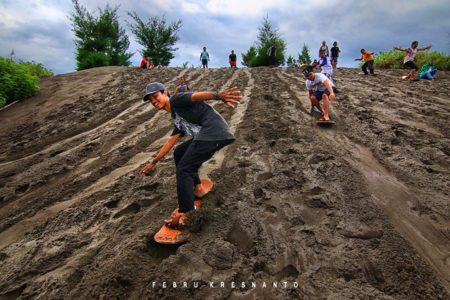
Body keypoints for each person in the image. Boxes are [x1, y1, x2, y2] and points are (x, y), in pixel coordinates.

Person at [139, 82, 242, 226]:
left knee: (184, 168)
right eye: (151, 100)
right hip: (210, 134)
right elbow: (170, 142)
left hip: (213, 132)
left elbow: (195, 96)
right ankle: (198, 189)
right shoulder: (177, 118)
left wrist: (218, 96)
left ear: (165, 93)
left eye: (156, 96)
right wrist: (153, 162)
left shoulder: (176, 100)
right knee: (179, 152)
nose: (154, 101)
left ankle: (186, 212)